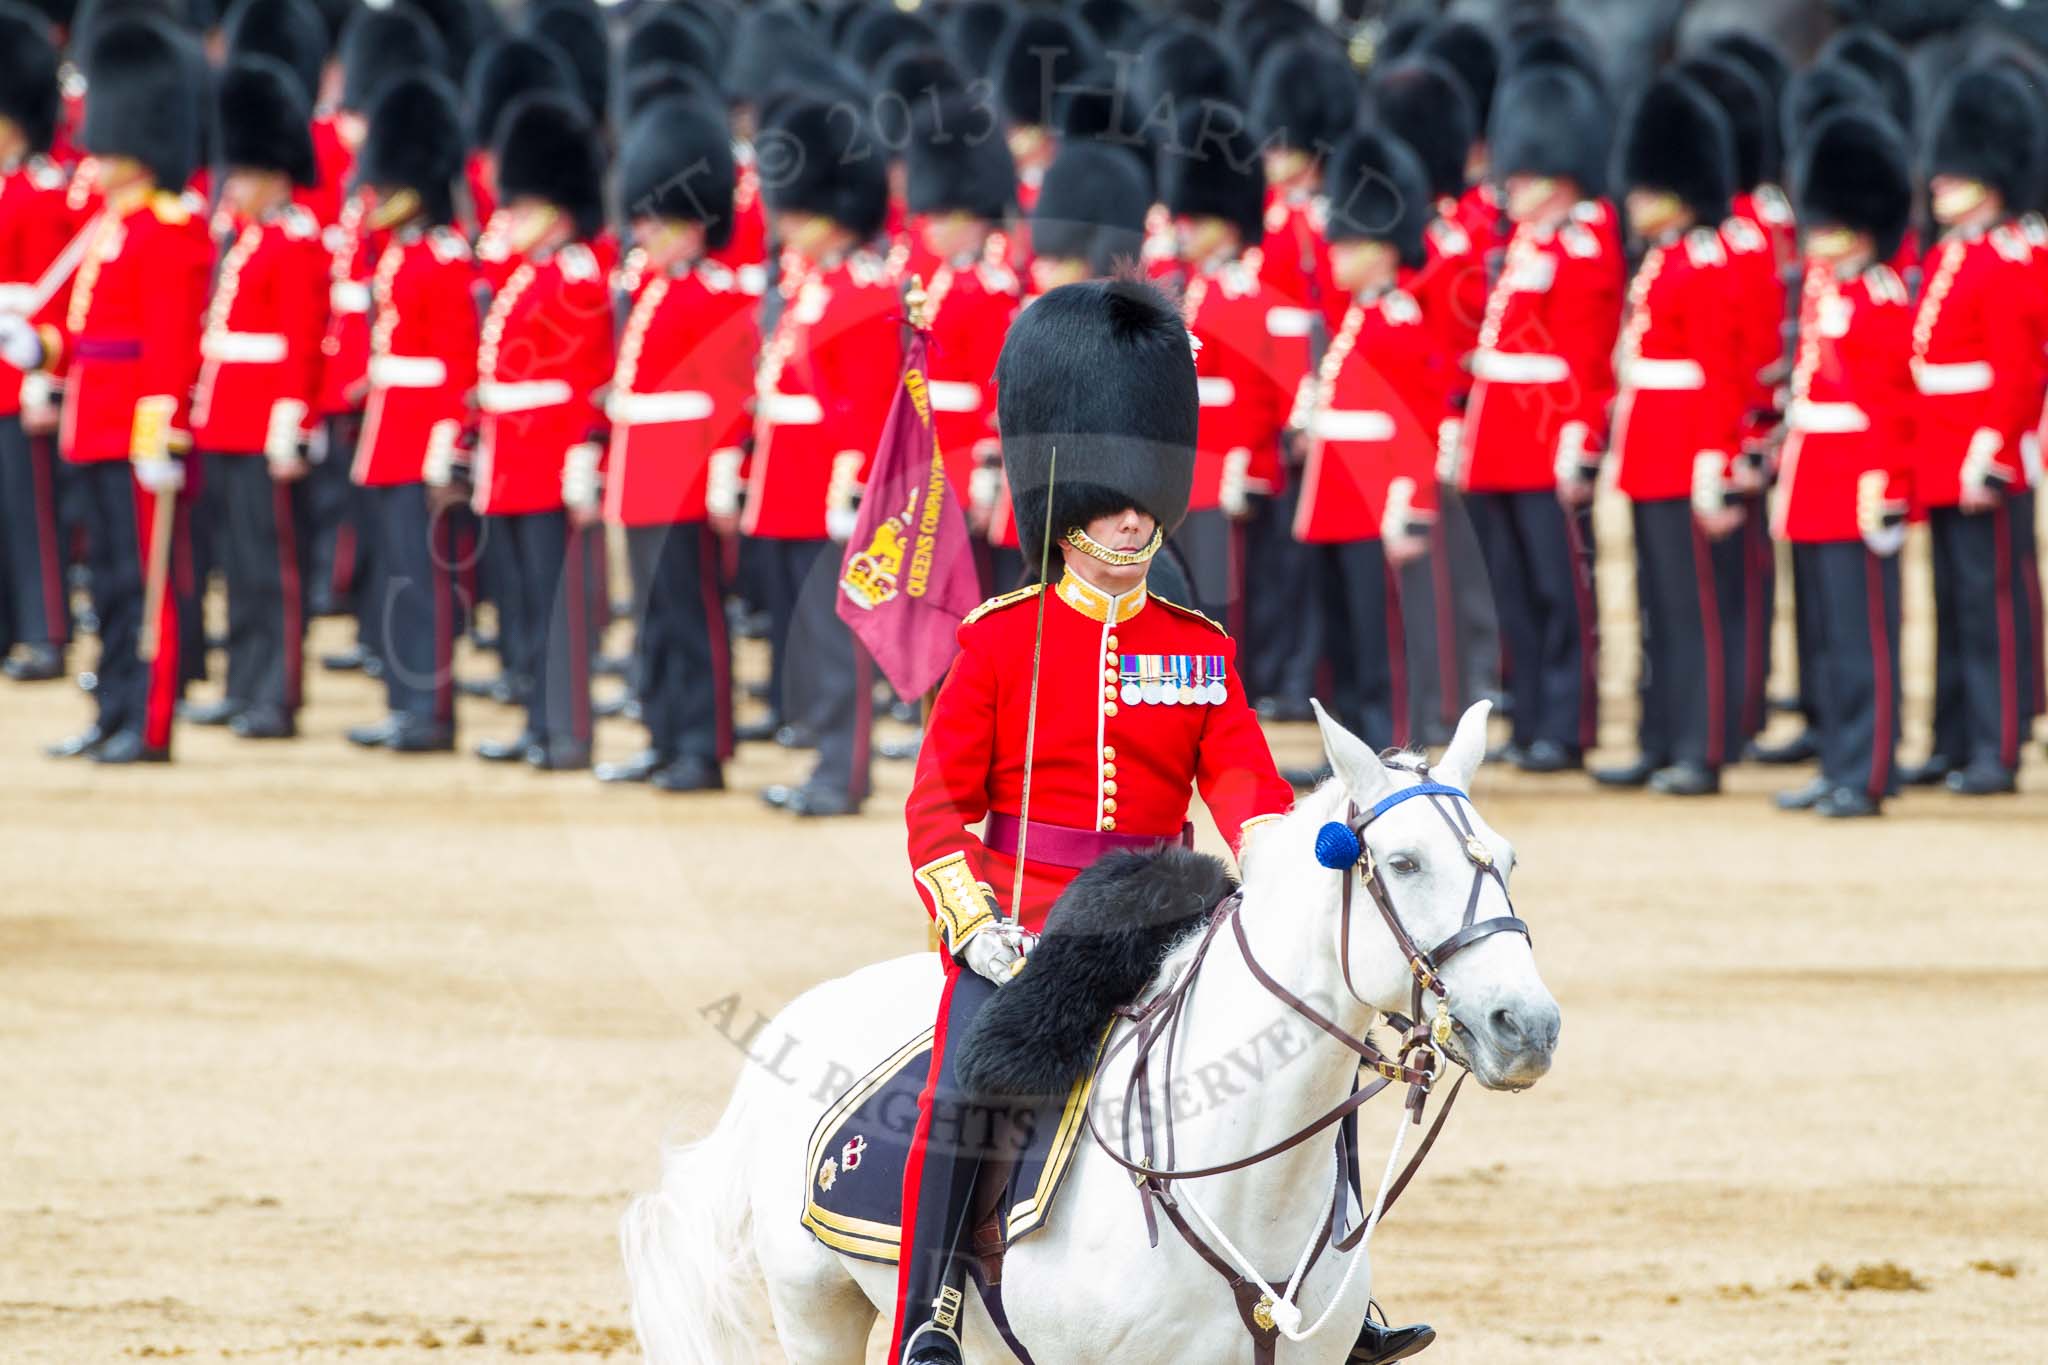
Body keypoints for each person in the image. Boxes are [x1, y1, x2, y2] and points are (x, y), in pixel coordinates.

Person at [893, 278, 1431, 1365]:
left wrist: (1288, 858)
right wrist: (969, 917)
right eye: (1107, 500)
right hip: (1028, 917)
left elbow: (1243, 791)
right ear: (1065, 501)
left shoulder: (1195, 644)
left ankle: (1338, 1281)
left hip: (1165, 912)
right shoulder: (1000, 641)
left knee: (1309, 1042)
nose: (1131, 518)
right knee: (969, 1085)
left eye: (1142, 498)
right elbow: (939, 808)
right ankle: (929, 1313)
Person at [0, 14, 212, 764]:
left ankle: (147, 721)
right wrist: (37, 345)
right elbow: (84, 331)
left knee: (143, 579)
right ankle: (110, 704)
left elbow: (169, 347)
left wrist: (162, 435)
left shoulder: (169, 227)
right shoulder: (112, 224)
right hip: (90, 420)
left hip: (134, 428)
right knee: (109, 585)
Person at [1450, 61, 1621, 773]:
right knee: (1512, 588)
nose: (1510, 184)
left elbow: (1587, 356)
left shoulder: (1585, 242)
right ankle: (1527, 714)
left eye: (1525, 173)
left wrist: (1579, 439)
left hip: (1545, 432)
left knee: (1559, 585)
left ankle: (1567, 721)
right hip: (1497, 436)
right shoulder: (1522, 242)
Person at [593, 96, 756, 793]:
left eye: (658, 222)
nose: (645, 233)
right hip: (641, 475)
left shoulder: (714, 296)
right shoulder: (650, 289)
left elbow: (727, 398)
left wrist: (723, 472)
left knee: (693, 618)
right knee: (653, 619)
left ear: (694, 228)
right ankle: (663, 735)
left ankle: (702, 744)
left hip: (684, 474)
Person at [746, 96, 901, 818]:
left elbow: (867, 407)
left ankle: (843, 770)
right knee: (806, 627)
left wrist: (854, 483)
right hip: (790, 477)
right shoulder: (816, 282)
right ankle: (824, 757)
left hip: (830, 481)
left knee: (838, 636)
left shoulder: (863, 289)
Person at [1594, 74, 1747, 797]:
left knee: (1692, 611)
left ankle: (1700, 746)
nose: (1635, 199)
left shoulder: (1705, 263)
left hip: (1685, 452)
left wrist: (1714, 462)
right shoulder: (1661, 260)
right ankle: (1659, 738)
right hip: (1650, 452)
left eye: (1650, 188)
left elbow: (1722, 374)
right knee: (1656, 602)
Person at [1906, 63, 2047, 796]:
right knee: (1952, 603)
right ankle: (1953, 736)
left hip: (1981, 448)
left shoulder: (2014, 255)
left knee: (1989, 602)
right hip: (1940, 444)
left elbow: (2020, 371)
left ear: (1991, 177)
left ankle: (1997, 746)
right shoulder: (1950, 252)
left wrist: (1989, 453)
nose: (1938, 184)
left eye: (1954, 173)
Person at [1769, 107, 1914, 818]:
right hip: (1814, 475)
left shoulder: (1881, 297)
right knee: (1825, 633)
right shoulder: (1829, 287)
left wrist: (1884, 487)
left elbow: (1892, 407)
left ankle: (1868, 768)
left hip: (1857, 475)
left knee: (1863, 639)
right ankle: (1837, 760)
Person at [185, 56, 330, 741]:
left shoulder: (296, 240)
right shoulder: (245, 238)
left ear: (274, 172)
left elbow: (302, 341)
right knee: (239, 567)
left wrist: (289, 422)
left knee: (273, 567)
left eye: (242, 172)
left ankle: (276, 694)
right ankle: (243, 682)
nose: (231, 184)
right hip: (225, 419)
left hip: (264, 420)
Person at [1291, 127, 1447, 754]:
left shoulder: (1399, 322)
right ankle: (1354, 751)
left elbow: (1416, 425)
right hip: (1334, 497)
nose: (1336, 256)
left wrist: (1409, 506)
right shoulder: (1358, 316)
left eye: (1348, 246)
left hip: (1371, 501)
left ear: (1382, 250)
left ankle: (1393, 747)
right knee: (1345, 641)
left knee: (1378, 639)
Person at [343, 71, 475, 754]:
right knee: (396, 573)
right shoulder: (398, 251)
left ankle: (430, 708)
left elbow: (459, 362)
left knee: (423, 580)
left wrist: (447, 444)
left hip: (421, 430)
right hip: (389, 429)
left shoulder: (445, 257)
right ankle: (404, 699)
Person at [898, 92, 1021, 597]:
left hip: (966, 463)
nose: (929, 227)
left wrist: (986, 479)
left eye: (941, 215)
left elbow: (995, 396)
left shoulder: (989, 290)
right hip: (936, 460)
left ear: (971, 215)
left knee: (974, 593)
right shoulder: (947, 279)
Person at [0, 1, 76, 684]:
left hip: (19, 367)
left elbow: (47, 301)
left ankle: (47, 629)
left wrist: (40, 379)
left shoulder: (43, 192)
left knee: (33, 515)